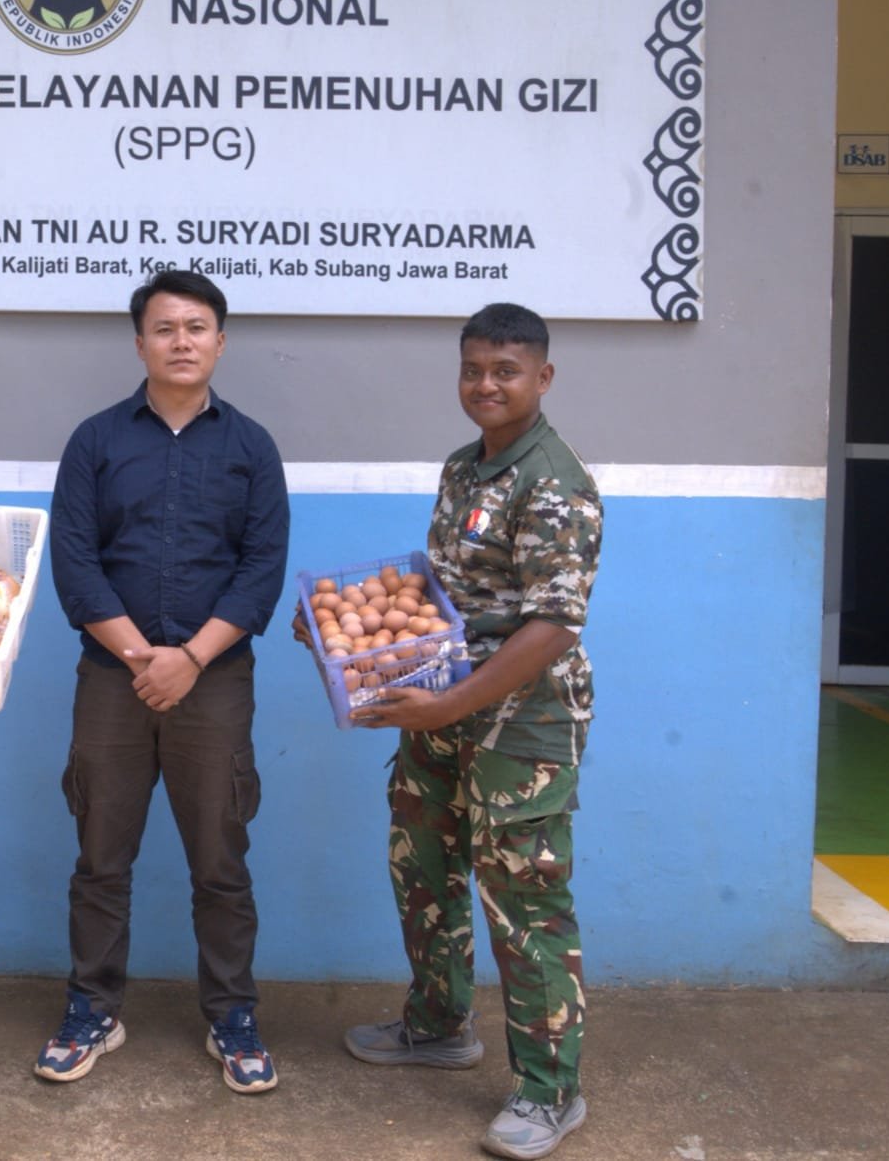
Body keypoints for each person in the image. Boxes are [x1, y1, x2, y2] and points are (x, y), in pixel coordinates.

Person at [332, 303, 602, 1160]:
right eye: (474, 369)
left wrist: (450, 706)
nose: (487, 385)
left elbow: (554, 625)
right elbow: (444, 595)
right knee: (423, 864)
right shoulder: (464, 468)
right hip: (440, 705)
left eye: (506, 371)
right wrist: (348, 628)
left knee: (524, 902)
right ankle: (439, 1024)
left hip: (523, 725)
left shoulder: (554, 483)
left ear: (543, 378)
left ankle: (550, 1092)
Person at [36, 270, 290, 1094]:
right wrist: (145, 658)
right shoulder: (96, 441)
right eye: (166, 328)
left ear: (221, 340)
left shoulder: (251, 448)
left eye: (197, 327)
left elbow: (261, 570)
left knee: (220, 861)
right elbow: (75, 563)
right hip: (113, 680)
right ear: (140, 342)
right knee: (100, 858)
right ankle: (92, 1009)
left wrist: (191, 659)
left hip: (214, 683)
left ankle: (233, 1016)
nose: (183, 341)